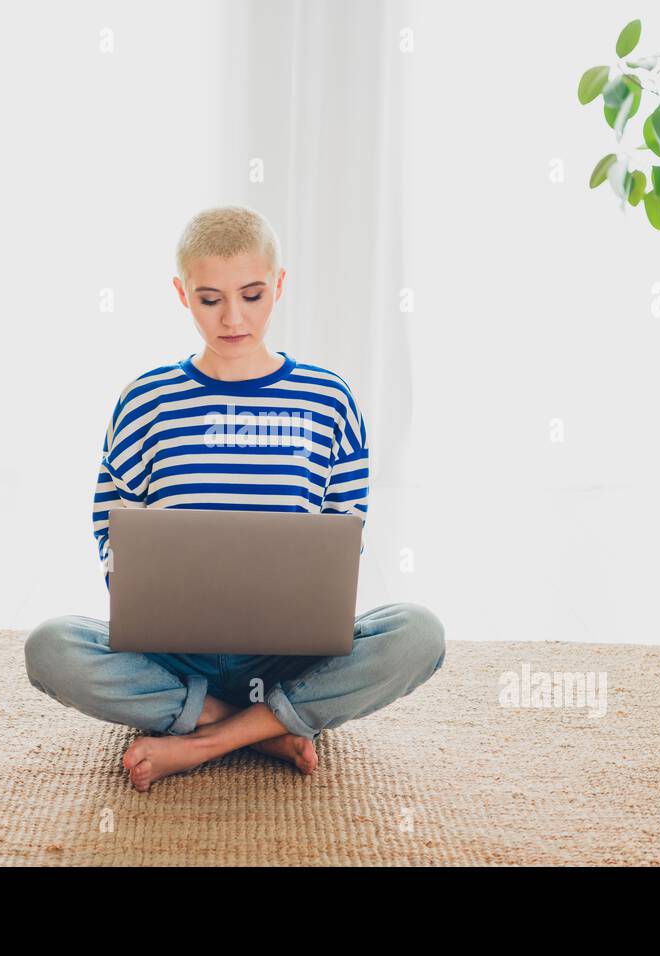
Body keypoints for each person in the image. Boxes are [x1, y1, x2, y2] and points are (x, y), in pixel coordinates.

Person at [25, 205, 445, 793]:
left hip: (285, 659)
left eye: (251, 294)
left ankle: (207, 739)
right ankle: (260, 728)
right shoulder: (146, 400)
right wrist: (141, 595)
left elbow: (343, 535)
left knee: (419, 634)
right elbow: (110, 532)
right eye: (209, 299)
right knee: (50, 648)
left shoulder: (329, 398)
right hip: (174, 656)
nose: (232, 318)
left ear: (279, 284)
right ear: (181, 294)